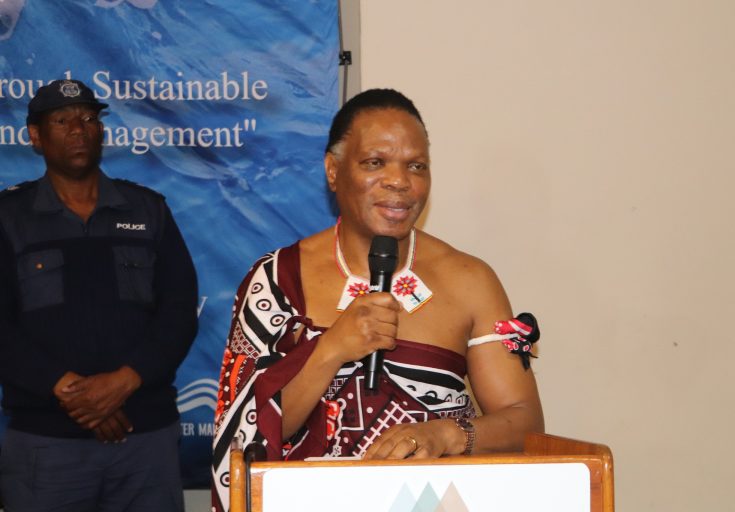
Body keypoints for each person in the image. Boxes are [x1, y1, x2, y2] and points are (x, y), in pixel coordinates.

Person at [211, 89, 544, 511]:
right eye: (374, 162)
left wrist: (449, 434)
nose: (399, 181)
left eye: (416, 166)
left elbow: (525, 422)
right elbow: (245, 439)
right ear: (333, 171)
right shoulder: (276, 281)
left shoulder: (471, 281)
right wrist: (331, 349)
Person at [0, 79, 198, 512]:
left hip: (144, 440)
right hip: (47, 444)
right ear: (35, 136)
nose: (78, 129)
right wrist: (75, 394)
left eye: (88, 118)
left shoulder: (147, 209)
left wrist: (124, 382)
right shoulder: (9, 217)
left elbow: (180, 310)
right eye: (61, 120)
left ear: (101, 131)